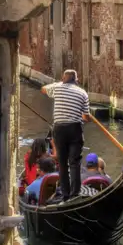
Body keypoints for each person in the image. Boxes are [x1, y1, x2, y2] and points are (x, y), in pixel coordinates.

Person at [41, 69, 90, 201]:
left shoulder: (57, 87)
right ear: (76, 80)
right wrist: (80, 114)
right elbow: (86, 117)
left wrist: (59, 83)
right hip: (75, 129)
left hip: (59, 129)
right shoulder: (83, 93)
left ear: (64, 79)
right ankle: (75, 194)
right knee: (74, 162)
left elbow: (43, 89)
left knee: (62, 163)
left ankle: (65, 194)